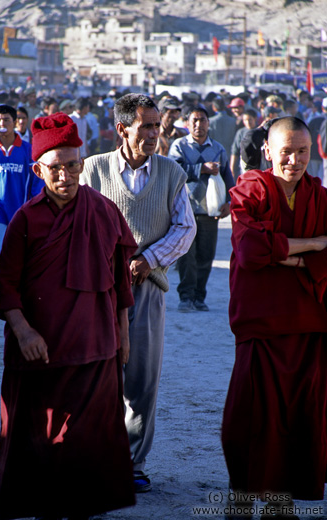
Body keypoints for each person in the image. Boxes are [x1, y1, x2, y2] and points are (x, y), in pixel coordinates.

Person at [0, 112, 137, 520]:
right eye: (56, 168)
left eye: (74, 166)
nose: (67, 176)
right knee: (43, 439)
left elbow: (119, 283)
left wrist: (122, 335)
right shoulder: (25, 220)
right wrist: (23, 332)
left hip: (96, 348)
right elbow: (6, 289)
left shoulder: (104, 212)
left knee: (88, 440)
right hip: (42, 354)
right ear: (38, 170)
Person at [80, 93, 196, 492]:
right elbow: (76, 224)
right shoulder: (91, 171)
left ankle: (132, 464)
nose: (153, 133)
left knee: (141, 379)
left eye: (156, 125)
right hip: (97, 291)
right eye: (145, 126)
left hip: (147, 290)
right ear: (122, 130)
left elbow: (185, 229)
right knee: (96, 374)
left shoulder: (170, 172)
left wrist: (150, 258)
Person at [222, 116, 327, 519]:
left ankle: (279, 502)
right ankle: (242, 496)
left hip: (308, 325)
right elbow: (249, 250)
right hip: (261, 324)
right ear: (268, 150)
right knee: (251, 415)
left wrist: (283, 255)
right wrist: (312, 246)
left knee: (299, 417)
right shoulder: (252, 188)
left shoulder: (319, 195)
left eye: (302, 151)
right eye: (286, 151)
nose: (295, 160)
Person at [168, 106, 234, 312]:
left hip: (210, 211)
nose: (198, 124)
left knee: (206, 255)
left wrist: (229, 201)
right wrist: (201, 168)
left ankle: (199, 297)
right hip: (185, 209)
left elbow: (228, 178)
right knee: (187, 255)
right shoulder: (179, 146)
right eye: (194, 120)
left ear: (208, 123)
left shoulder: (218, 149)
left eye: (202, 120)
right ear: (187, 123)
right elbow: (174, 170)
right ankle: (185, 297)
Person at [0, 104, 44, 279]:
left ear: (14, 122)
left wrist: (35, 204)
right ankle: (0, 294)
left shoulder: (29, 150)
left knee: (22, 252)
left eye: (6, 120)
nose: (2, 123)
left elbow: (37, 180)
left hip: (23, 209)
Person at [230, 108, 258, 181]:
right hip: (244, 166)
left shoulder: (260, 130)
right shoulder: (241, 132)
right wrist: (232, 169)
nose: (248, 122)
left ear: (255, 119)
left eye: (250, 119)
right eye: (245, 120)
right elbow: (235, 151)